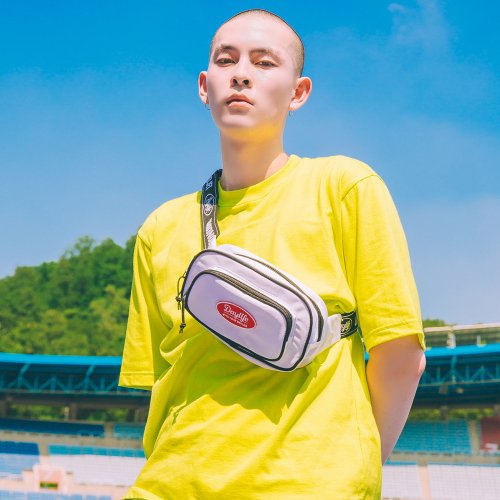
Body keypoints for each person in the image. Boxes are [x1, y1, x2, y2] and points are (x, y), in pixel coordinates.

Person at [119, 8, 426, 499]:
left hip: (308, 486)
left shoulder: (344, 187)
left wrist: (353, 468)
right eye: (226, 60)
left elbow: (400, 355)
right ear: (204, 86)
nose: (241, 74)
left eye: (264, 63)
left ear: (298, 92)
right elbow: (164, 383)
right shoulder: (160, 227)